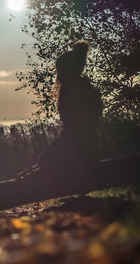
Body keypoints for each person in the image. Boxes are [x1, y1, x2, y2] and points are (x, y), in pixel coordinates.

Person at [34, 41, 103, 188]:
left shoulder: (74, 88)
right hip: (82, 141)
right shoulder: (80, 86)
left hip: (78, 143)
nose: (58, 74)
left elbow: (75, 123)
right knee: (45, 161)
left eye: (60, 70)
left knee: (45, 162)